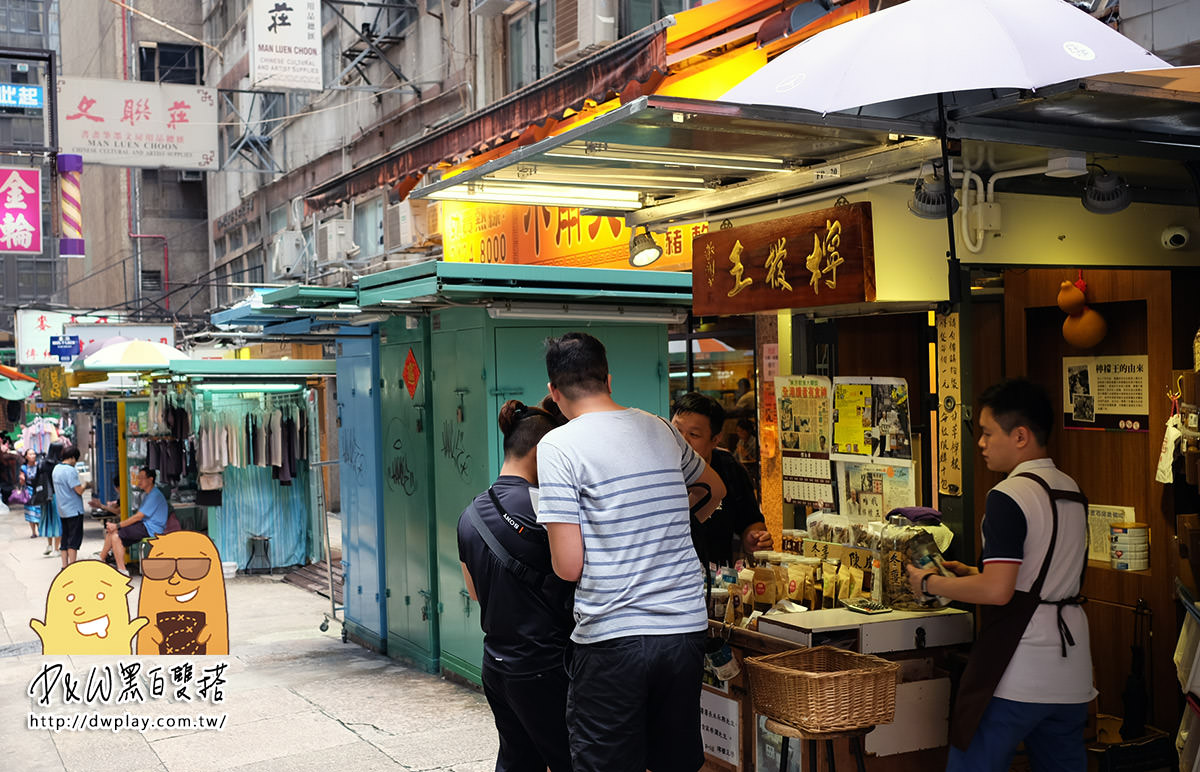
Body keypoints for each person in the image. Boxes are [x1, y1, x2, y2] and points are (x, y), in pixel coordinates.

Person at [536, 332, 726, 772]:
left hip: (613, 636)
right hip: (683, 629)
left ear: (554, 391)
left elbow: (568, 567)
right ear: (608, 378)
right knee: (674, 761)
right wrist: (666, 528)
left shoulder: (559, 446)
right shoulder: (658, 427)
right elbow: (714, 490)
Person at [905, 379, 1094, 772]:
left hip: (1018, 670)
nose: (981, 443)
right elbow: (1040, 573)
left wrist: (930, 583)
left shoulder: (1008, 495)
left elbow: (998, 590)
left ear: (1020, 435)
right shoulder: (1071, 489)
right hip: (1072, 671)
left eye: (988, 433)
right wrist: (970, 573)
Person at [457, 396, 574, 772]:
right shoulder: (547, 507)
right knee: (570, 761)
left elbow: (476, 593)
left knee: (516, 759)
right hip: (544, 665)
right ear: (543, 451)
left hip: (496, 666)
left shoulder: (470, 513)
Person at [670, 393, 771, 566]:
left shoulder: (729, 469)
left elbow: (751, 522)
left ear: (715, 440)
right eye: (676, 430)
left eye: (693, 435)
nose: (681, 441)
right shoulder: (654, 467)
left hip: (716, 580)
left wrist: (754, 538)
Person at [101, 467, 169, 575]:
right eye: (138, 478)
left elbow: (138, 517)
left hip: (151, 529)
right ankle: (102, 559)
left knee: (116, 534)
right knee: (113, 533)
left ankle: (119, 569)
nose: (139, 481)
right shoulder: (147, 494)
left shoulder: (154, 495)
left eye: (142, 478)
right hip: (145, 526)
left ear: (150, 479)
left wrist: (117, 525)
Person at [52, 446, 90, 568]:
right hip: (74, 510)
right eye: (76, 459)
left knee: (65, 538)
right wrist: (86, 484)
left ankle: (64, 566)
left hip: (62, 509)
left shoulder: (56, 469)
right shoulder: (70, 471)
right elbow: (78, 490)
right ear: (73, 458)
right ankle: (72, 567)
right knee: (73, 540)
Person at [20, 449, 39, 539]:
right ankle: (33, 532)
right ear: (26, 456)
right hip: (29, 491)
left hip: (39, 490)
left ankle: (40, 530)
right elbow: (22, 481)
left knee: (39, 510)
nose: (32, 456)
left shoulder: (39, 465)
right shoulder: (23, 468)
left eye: (33, 454)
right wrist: (22, 479)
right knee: (30, 511)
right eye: (30, 454)